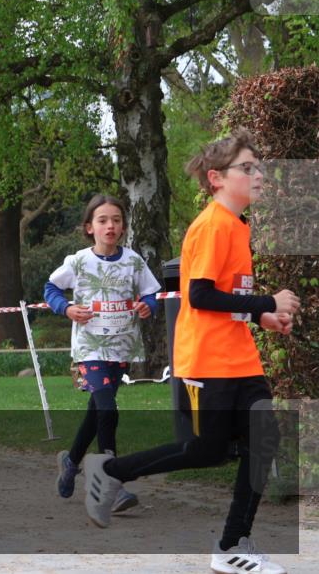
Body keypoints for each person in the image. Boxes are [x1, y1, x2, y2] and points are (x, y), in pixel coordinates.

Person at [81, 133, 298, 574]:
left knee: (262, 439)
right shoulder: (212, 224)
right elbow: (197, 295)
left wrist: (261, 318)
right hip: (209, 362)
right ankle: (112, 471)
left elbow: (228, 296)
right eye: (247, 168)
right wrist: (267, 303)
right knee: (205, 450)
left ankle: (232, 546)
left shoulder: (237, 226)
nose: (257, 175)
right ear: (217, 178)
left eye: (258, 167)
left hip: (239, 357)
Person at [44, 195, 160, 510]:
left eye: (116, 220)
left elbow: (152, 292)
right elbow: (51, 288)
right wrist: (66, 308)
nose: (110, 226)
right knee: (108, 409)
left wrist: (147, 306)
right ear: (89, 227)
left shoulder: (134, 261)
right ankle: (112, 482)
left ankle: (71, 460)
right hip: (89, 348)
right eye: (103, 220)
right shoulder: (78, 261)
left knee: (98, 409)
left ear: (123, 226)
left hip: (121, 346)